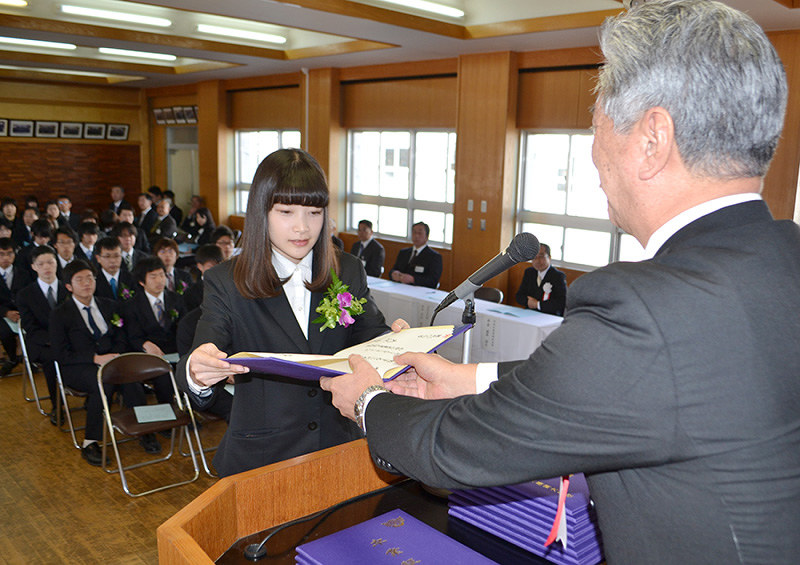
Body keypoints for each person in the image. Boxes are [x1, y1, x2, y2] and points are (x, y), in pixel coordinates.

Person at [320, 1, 800, 563]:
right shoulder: (781, 260)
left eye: (596, 128)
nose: (594, 157)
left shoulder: (646, 308)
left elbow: (455, 452)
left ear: (652, 138)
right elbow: (657, 381)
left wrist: (369, 402)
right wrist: (470, 378)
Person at [176, 148, 404, 478]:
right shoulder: (225, 281)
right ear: (261, 212)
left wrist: (396, 344)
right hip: (263, 458)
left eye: (314, 212)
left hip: (339, 447)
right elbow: (202, 351)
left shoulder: (348, 269)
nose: (302, 227)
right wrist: (198, 372)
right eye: (286, 211)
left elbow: (370, 333)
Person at [50, 260, 160, 466]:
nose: (86, 283)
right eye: (79, 280)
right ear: (68, 286)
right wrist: (94, 359)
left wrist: (116, 353)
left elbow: (121, 336)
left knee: (132, 379)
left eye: (90, 278)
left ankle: (145, 430)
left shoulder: (109, 305)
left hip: (112, 360)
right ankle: (90, 441)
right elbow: (59, 353)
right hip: (78, 367)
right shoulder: (60, 314)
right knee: (104, 382)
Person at [16, 245, 68, 424]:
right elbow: (31, 327)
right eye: (41, 264)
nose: (47, 267)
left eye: (50, 262)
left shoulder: (67, 288)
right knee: (52, 359)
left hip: (70, 339)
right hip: (42, 343)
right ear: (33, 267)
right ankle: (57, 405)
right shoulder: (25, 295)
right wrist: (54, 341)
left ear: (56, 263)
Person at [0, 237, 30, 375]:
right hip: (2, 313)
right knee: (4, 331)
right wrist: (6, 313)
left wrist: (21, 312)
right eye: (1, 254)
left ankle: (28, 357)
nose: (6, 257)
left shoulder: (24, 273)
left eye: (10, 253)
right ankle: (12, 358)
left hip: (22, 312)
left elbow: (30, 297)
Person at [514, 243, 567, 316]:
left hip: (549, 316)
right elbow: (519, 296)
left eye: (541, 256)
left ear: (549, 257)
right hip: (529, 314)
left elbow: (561, 302)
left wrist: (538, 304)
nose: (537, 261)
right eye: (534, 257)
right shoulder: (529, 272)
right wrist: (528, 301)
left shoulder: (558, 276)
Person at [389, 221, 442, 288]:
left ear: (426, 236)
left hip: (420, 291)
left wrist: (413, 279)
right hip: (400, 287)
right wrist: (393, 274)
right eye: (414, 233)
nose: (416, 236)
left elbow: (433, 280)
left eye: (420, 233)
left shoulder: (434, 256)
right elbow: (393, 270)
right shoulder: (404, 252)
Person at [181, 243, 222, 313]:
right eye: (211, 266)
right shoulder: (191, 293)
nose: (216, 270)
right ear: (200, 266)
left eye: (219, 265)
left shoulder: (230, 287)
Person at [93, 237, 135, 301]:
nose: (112, 261)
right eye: (107, 256)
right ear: (98, 258)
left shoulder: (131, 278)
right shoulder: (94, 280)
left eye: (116, 256)